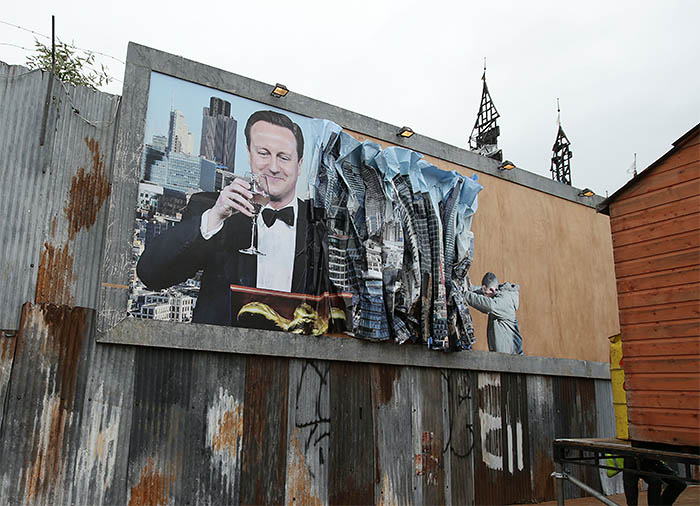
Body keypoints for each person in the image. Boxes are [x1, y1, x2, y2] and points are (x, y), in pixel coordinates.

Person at [137, 110, 311, 325]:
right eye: (263, 153)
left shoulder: (316, 223)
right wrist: (215, 217)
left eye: (283, 157)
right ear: (249, 153)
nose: (273, 167)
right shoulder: (211, 208)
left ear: (299, 164)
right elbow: (152, 275)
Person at [464, 272, 524, 354]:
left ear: (492, 290)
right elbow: (483, 291)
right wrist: (469, 288)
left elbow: (488, 305)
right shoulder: (496, 293)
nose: (485, 296)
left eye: (486, 294)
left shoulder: (505, 301)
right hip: (504, 355)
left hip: (512, 356)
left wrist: (465, 295)